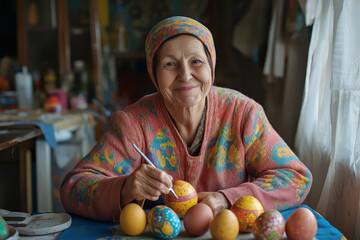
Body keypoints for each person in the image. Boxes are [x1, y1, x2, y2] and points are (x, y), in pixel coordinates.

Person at [60, 16, 312, 222]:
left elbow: (295, 177)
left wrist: (226, 199)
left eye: (196, 61)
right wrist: (125, 188)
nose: (185, 75)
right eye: (170, 64)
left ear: (211, 67)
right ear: (154, 75)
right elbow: (73, 188)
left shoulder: (242, 114)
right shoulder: (133, 123)